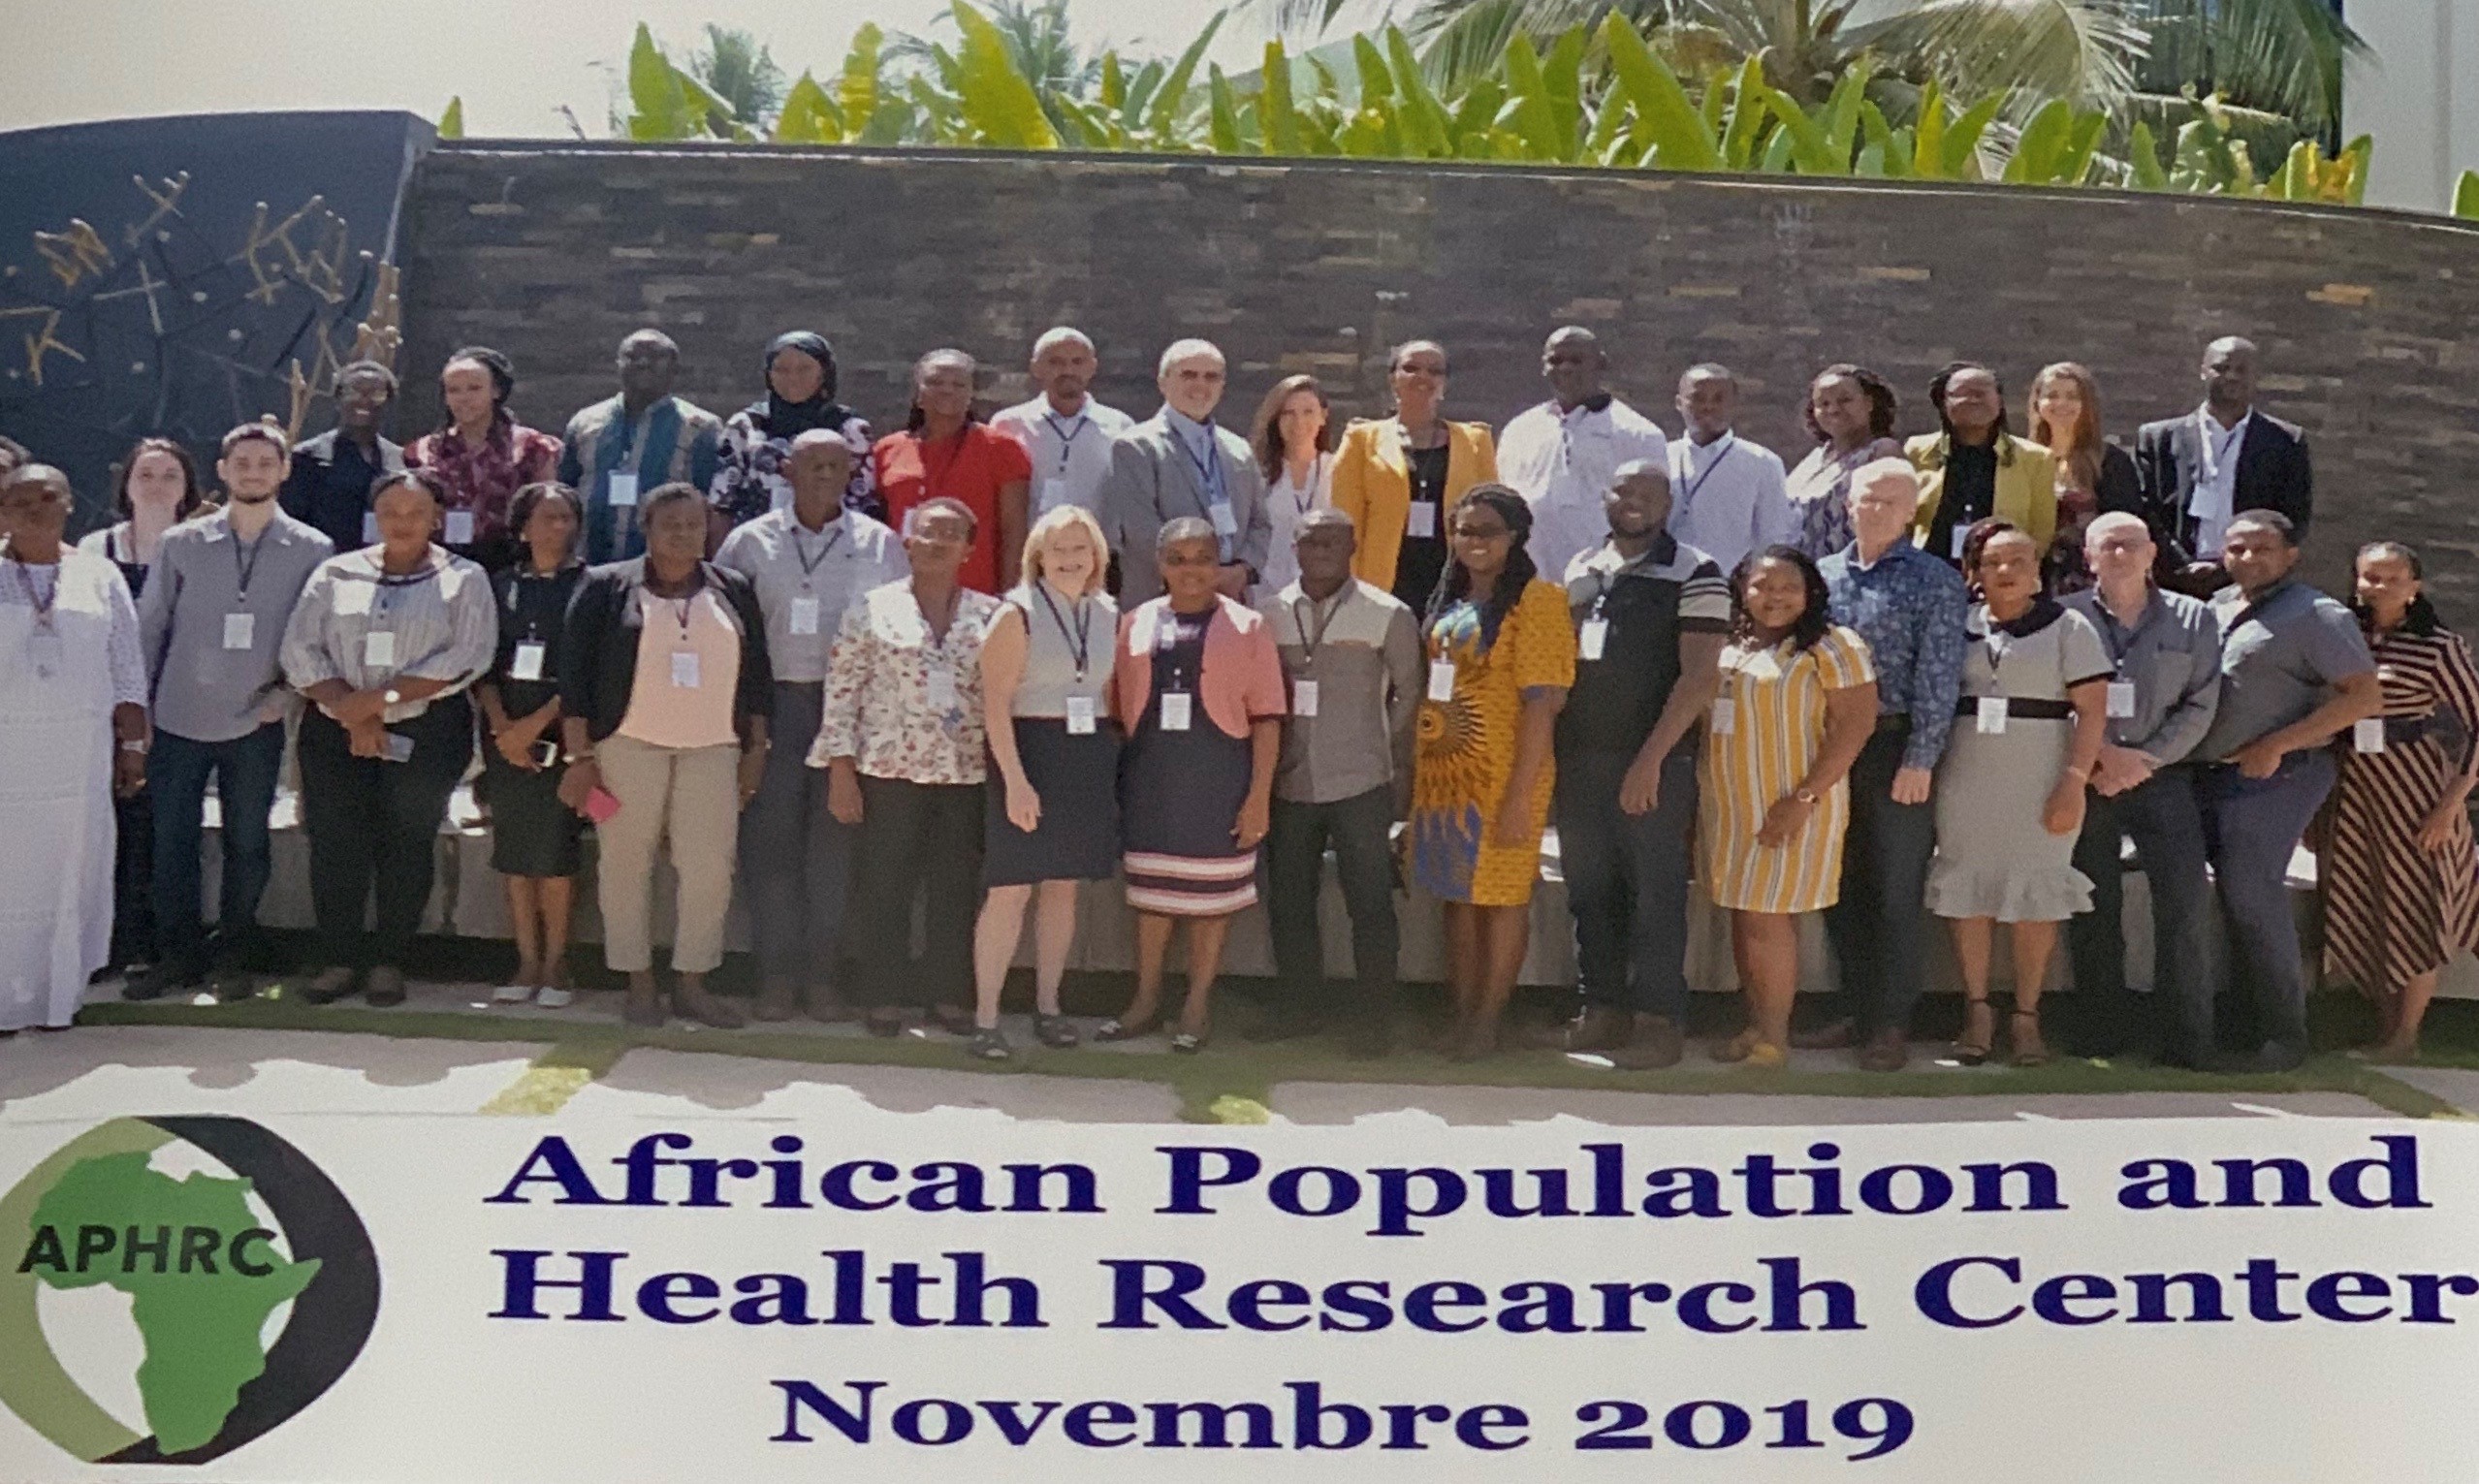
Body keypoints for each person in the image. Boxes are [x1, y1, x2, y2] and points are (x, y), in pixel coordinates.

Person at [126, 424, 331, 1003]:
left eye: (265, 463)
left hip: (255, 719)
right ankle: (177, 955)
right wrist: (138, 710)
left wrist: (285, 697)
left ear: (284, 471)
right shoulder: (181, 543)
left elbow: (310, 634)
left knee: (248, 842)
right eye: (242, 462)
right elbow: (151, 628)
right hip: (177, 717)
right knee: (172, 841)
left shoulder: (312, 549)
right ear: (222, 469)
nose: (253, 472)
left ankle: (234, 951)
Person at [557, 483, 772, 1028]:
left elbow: (756, 677)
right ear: (646, 530)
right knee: (624, 865)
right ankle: (638, 981)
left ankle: (693, 982)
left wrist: (755, 748)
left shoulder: (734, 587)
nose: (683, 534)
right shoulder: (606, 587)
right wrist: (580, 758)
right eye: (670, 524)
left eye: (693, 524)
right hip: (623, 749)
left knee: (708, 869)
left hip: (714, 750)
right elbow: (575, 680)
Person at [278, 468, 495, 1006]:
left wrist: (376, 703)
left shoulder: (465, 579)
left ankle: (389, 959)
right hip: (334, 727)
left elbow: (465, 656)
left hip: (426, 731)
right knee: (336, 843)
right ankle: (337, 958)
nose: (402, 523)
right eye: (391, 513)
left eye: (415, 513)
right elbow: (299, 649)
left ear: (437, 518)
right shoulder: (334, 573)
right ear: (374, 516)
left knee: (407, 841)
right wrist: (351, 712)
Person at [716, 430, 906, 1021]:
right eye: (813, 464)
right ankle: (776, 977)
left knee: (835, 849)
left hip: (848, 711)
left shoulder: (880, 544)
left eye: (837, 466)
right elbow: (726, 628)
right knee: (769, 847)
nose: (825, 475)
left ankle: (822, 977)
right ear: (787, 470)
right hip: (770, 707)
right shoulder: (750, 543)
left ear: (852, 474)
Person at [1551, 459, 1729, 1069]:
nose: (1636, 502)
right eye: (1625, 489)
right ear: (1605, 495)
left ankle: (1659, 1021)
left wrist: (1650, 760)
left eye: (1650, 493)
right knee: (1590, 890)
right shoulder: (1581, 568)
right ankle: (1600, 1008)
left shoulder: (1698, 571)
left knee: (1654, 895)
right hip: (1581, 761)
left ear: (1668, 502)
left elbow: (1700, 677)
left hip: (1654, 762)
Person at [2191, 510, 2380, 1070]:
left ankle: (2284, 1036)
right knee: (2229, 900)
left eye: (2261, 549)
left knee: (2254, 894)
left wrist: (2277, 745)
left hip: (2281, 775)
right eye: (2237, 549)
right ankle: (2239, 1026)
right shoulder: (2219, 607)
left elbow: (2363, 696)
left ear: (2291, 554)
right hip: (2214, 774)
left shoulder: (2319, 615)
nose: (2248, 558)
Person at [813, 499, 1000, 1037]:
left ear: (969, 549)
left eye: (952, 535)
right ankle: (882, 995)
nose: (938, 543)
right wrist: (840, 770)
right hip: (887, 769)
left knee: (955, 887)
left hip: (964, 773)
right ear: (907, 542)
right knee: (884, 885)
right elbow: (843, 692)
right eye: (928, 533)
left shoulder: (991, 616)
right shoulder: (871, 608)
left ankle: (947, 995)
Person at [1927, 521, 2112, 1066]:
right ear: (1976, 573)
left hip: (2042, 774)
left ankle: (2027, 1016)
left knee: (2038, 894)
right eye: (1992, 562)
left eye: (2018, 561)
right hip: (1967, 774)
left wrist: (2074, 783)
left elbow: (2093, 710)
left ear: (2038, 572)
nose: (2005, 572)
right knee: (1970, 889)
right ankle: (1977, 1010)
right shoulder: (1958, 625)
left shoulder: (2070, 627)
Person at [1102, 518, 1285, 1053]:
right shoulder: (1133, 623)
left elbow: (1268, 719)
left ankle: (1197, 1005)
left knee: (1211, 902)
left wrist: (1257, 800)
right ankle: (1144, 998)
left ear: (1218, 564)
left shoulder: (1249, 627)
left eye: (1203, 558)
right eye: (1177, 559)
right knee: (1153, 900)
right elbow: (1116, 709)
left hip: (1220, 777)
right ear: (1160, 565)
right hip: (1152, 776)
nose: (1191, 570)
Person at [1409, 485, 1574, 1059]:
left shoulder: (1539, 602)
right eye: (1464, 531)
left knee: (1501, 900)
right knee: (1459, 898)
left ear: (1516, 537)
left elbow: (1542, 704)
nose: (1474, 542)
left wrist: (1519, 798)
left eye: (1488, 531)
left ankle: (1487, 1021)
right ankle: (1461, 1014)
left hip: (1507, 775)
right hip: (1446, 775)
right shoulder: (1451, 602)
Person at [1811, 460, 1967, 1069]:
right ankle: (1853, 1009)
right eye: (1865, 499)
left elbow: (1939, 672)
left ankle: (1891, 1023)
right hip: (1827, 749)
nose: (1873, 509)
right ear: (1848, 505)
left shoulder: (1935, 580)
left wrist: (1921, 757)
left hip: (1895, 747)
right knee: (1838, 883)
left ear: (1911, 512)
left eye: (1888, 501)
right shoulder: (1820, 577)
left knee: (1896, 889)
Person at [1700, 546, 1877, 1068]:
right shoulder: (1731, 643)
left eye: (1788, 587)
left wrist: (1802, 799)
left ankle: (1775, 1038)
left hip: (1795, 801)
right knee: (1743, 914)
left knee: (1768, 918)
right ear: (1742, 588)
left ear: (1810, 593)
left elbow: (1856, 726)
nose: (1774, 597)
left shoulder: (1832, 646)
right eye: (1762, 585)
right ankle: (1754, 1025)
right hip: (1731, 804)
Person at [1258, 507, 1421, 1057]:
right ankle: (1300, 1008)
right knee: (1290, 901)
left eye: (1332, 543)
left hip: (1361, 783)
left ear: (1352, 548)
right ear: (1295, 549)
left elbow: (1410, 692)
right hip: (1289, 785)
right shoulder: (1269, 614)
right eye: (1310, 542)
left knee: (1370, 903)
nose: (1321, 551)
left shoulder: (1387, 613)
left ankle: (1376, 1018)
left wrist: (1377, 746)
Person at [2061, 514, 2222, 1065]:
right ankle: (2102, 1031)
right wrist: (2103, 754)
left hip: (2164, 775)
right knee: (2093, 903)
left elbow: (2202, 701)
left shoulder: (2195, 617)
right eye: (2108, 546)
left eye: (2131, 544)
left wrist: (2145, 759)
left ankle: (2187, 1037)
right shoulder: (2067, 617)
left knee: (2182, 903)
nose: (2121, 554)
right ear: (2089, 557)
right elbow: (2059, 699)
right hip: (2090, 775)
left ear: (2152, 553)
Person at [0, 465, 148, 1036]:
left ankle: (56, 997)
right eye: (18, 500)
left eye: (47, 497)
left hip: (75, 761)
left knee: (67, 872)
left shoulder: (98, 573)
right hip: (7, 760)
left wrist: (132, 745)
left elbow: (127, 667)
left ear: (69, 504)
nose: (34, 509)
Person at [969, 505, 1120, 1060]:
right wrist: (1015, 781)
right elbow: (994, 705)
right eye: (1058, 549)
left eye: (1080, 549)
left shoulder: (1107, 611)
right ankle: (986, 1018)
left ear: (1097, 556)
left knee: (1063, 888)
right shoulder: (1017, 613)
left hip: (1085, 756)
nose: (1070, 560)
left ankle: (1049, 1007)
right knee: (1010, 891)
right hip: (1028, 755)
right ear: (1037, 555)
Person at [2322, 542, 2479, 1062]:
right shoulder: (2344, 636)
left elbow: (2476, 726)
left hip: (2415, 790)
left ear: (2415, 587)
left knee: (2416, 906)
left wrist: (2450, 805)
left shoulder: (2438, 647)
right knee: (2371, 902)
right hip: (2356, 790)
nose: (2377, 588)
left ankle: (2405, 1037)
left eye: (2390, 579)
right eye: (2369, 578)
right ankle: (2381, 1026)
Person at [80, 436, 207, 975]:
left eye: (170, 476)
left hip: (180, 710)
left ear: (188, 489)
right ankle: (107, 943)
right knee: (108, 826)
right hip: (107, 713)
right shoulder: (95, 550)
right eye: (146, 475)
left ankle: (155, 945)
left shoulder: (203, 547)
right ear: (126, 484)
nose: (157, 486)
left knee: (162, 831)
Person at [475, 483, 588, 1008]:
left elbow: (589, 670)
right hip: (505, 737)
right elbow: (484, 664)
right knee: (515, 852)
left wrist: (539, 723)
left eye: (566, 517)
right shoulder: (499, 586)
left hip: (562, 734)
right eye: (547, 517)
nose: (557, 527)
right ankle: (524, 959)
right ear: (523, 526)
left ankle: (556, 963)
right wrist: (504, 728)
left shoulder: (592, 586)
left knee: (556, 853)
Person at [2136, 336, 2314, 598]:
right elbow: (2145, 509)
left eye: (2242, 370)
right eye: (2221, 368)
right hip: (2172, 582)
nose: (2231, 376)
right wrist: (2179, 563)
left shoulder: (2285, 441)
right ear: (2203, 371)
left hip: (2251, 585)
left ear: (2256, 377)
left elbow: (2292, 516)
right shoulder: (2158, 437)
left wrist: (2232, 564)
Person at [1330, 340, 1499, 608]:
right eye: (1411, 368)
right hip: (1381, 587)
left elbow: (1492, 523)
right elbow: (1345, 525)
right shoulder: (1361, 440)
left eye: (1435, 371)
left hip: (1456, 586)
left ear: (1445, 383)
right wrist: (1348, 593)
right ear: (1393, 379)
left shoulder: (1476, 442)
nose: (1423, 377)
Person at [1102, 339, 1271, 606]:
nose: (1200, 385)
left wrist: (1241, 571)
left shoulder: (1239, 449)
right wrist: (1203, 577)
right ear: (1163, 382)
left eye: (1211, 377)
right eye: (1188, 375)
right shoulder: (1135, 447)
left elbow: (1260, 524)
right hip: (1162, 603)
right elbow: (1141, 531)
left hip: (1231, 604)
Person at [1496, 327, 1668, 583]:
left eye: (1576, 360)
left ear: (1601, 363)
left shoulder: (1639, 434)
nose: (1565, 368)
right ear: (1543, 367)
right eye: (1555, 360)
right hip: (1530, 585)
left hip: (1605, 582)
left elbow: (1655, 517)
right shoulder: (1519, 430)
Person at [557, 329, 724, 565]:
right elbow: (566, 491)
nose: (643, 363)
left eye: (656, 356)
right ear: (618, 364)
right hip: (589, 566)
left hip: (664, 572)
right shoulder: (585, 422)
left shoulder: (700, 428)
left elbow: (710, 505)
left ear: (674, 368)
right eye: (632, 356)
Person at [873, 348, 1031, 595]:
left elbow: (1013, 532)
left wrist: (1010, 597)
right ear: (918, 394)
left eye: (959, 384)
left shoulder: (1001, 448)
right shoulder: (887, 450)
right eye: (935, 382)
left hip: (975, 594)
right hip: (900, 592)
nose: (947, 390)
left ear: (970, 395)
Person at [406, 346, 561, 572]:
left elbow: (548, 510)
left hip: (510, 564)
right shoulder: (423, 451)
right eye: (454, 390)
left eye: (474, 388)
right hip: (440, 565)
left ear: (496, 391)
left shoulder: (531, 446)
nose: (464, 398)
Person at [708, 331, 876, 533]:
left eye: (804, 369)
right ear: (769, 375)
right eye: (781, 369)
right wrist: (722, 562)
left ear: (823, 373)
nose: (793, 378)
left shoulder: (851, 429)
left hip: (833, 547)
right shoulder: (745, 427)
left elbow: (864, 503)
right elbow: (722, 504)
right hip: (757, 550)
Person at [1907, 362, 2056, 566]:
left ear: (1999, 401)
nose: (1973, 399)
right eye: (1962, 393)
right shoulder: (1916, 451)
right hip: (1928, 571)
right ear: (1944, 403)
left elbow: (2041, 531)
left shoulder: (2035, 459)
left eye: (1982, 393)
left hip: (1999, 576)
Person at [989, 327, 1134, 518]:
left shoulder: (1121, 427)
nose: (1068, 370)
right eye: (1055, 362)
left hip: (1095, 545)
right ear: (1036, 368)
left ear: (1092, 367)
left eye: (1077, 362)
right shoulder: (1008, 425)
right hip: (1029, 544)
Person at [2026, 362, 2141, 595]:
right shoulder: (2024, 457)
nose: (2061, 403)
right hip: (2034, 579)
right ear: (2037, 403)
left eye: (2072, 396)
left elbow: (2125, 521)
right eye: (2052, 395)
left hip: (2091, 581)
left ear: (2087, 405)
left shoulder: (2109, 460)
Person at [1666, 363, 1792, 573]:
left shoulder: (1762, 463)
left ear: (1734, 405)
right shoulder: (1661, 457)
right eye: (1698, 398)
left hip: (1726, 586)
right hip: (1665, 581)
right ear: (1679, 403)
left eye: (1718, 399)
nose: (1708, 406)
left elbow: (1772, 538)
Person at [281, 361, 405, 552]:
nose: (364, 400)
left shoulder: (401, 460)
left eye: (376, 393)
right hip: (328, 568)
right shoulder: (307, 458)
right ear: (338, 399)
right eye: (354, 391)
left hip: (386, 569)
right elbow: (292, 527)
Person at [1783, 363, 1903, 561]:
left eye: (1845, 400)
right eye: (1823, 403)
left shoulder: (1881, 453)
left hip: (1851, 576)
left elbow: (1889, 526)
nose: (1833, 410)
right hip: (1802, 580)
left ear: (1869, 403)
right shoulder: (1814, 458)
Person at [1248, 373, 1338, 596]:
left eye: (1308, 412)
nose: (1299, 422)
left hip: (1325, 593)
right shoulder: (1255, 473)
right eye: (1288, 413)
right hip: (1266, 595)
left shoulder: (1338, 470)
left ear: (1323, 416)